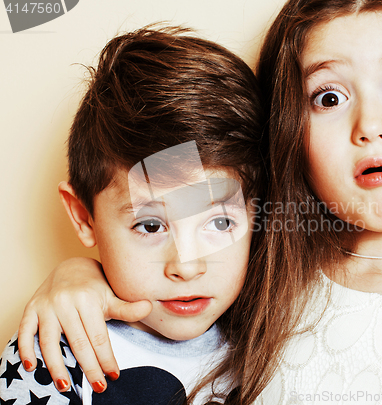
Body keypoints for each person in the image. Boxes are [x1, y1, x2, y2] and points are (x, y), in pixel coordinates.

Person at [13, 0, 382, 404]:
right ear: (290, 130)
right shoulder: (268, 280)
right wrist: (79, 276)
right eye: (328, 98)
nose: (370, 126)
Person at [0, 24, 267, 405]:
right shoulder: (52, 356)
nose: (187, 267)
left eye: (220, 222)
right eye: (151, 225)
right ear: (83, 216)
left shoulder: (275, 333)